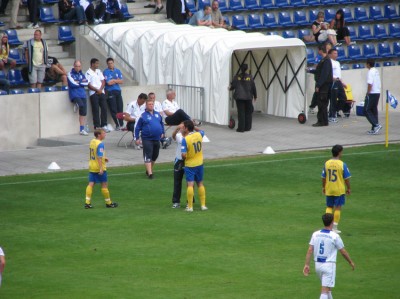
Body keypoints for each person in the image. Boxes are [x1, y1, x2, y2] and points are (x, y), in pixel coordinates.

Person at [303, 213, 355, 299]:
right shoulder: (334, 236)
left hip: (318, 266)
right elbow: (343, 252)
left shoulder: (315, 234)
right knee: (324, 291)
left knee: (328, 289)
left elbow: (310, 250)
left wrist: (307, 264)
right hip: (328, 266)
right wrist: (350, 262)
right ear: (332, 222)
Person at [85, 128, 118, 209]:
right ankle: (108, 203)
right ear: (99, 135)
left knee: (91, 184)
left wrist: (104, 158)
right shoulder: (100, 144)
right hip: (98, 167)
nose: (105, 134)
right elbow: (99, 157)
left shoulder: (92, 141)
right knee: (104, 184)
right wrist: (101, 168)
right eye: (103, 133)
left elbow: (94, 153)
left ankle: (87, 203)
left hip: (92, 166)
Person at [321, 144, 351, 234]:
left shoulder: (327, 163)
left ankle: (327, 225)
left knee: (329, 207)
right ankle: (334, 227)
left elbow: (323, 177)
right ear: (339, 152)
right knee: (338, 208)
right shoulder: (342, 164)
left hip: (329, 188)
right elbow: (346, 178)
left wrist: (324, 187)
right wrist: (349, 188)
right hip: (339, 190)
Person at [134, 98, 165, 179]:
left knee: (155, 155)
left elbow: (161, 124)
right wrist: (136, 138)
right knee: (148, 154)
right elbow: (137, 127)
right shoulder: (143, 116)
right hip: (147, 138)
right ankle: (150, 174)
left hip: (157, 138)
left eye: (152, 104)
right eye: (149, 104)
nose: (151, 106)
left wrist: (162, 132)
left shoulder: (158, 114)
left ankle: (149, 169)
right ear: (146, 105)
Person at [181, 120, 207, 212]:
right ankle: (203, 205)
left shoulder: (185, 139)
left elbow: (183, 155)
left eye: (183, 127)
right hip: (199, 163)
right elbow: (201, 131)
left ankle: (190, 207)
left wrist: (186, 156)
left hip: (190, 165)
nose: (182, 128)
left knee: (190, 185)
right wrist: (194, 126)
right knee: (200, 183)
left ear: (186, 128)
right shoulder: (199, 135)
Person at [229, 63, 257, 133]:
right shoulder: (250, 77)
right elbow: (253, 87)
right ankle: (247, 127)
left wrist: (229, 88)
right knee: (248, 112)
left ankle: (241, 128)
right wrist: (255, 96)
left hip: (239, 97)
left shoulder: (236, 77)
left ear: (240, 69)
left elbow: (232, 87)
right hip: (248, 97)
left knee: (241, 113)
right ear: (247, 69)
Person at [86, 58, 110, 132]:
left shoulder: (99, 71)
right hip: (93, 93)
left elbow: (103, 81)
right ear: (92, 64)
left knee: (104, 108)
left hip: (101, 92)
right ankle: (97, 126)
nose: (97, 65)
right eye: (96, 63)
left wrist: (100, 89)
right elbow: (88, 84)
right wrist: (96, 90)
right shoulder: (88, 72)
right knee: (95, 109)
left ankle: (104, 125)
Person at [67, 60, 90, 136]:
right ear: (74, 66)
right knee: (81, 105)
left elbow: (86, 82)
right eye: (76, 66)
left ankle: (82, 129)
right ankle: (76, 104)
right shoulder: (70, 74)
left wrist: (79, 82)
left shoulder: (82, 74)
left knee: (83, 113)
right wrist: (80, 83)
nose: (78, 67)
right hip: (75, 94)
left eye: (79, 66)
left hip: (82, 94)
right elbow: (72, 83)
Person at [312, 44, 332, 127]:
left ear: (321, 50)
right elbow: (319, 71)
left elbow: (324, 74)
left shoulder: (326, 60)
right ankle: (325, 121)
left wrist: (318, 85)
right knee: (323, 104)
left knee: (321, 104)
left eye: (318, 50)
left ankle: (321, 121)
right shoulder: (324, 60)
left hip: (323, 86)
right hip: (324, 85)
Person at [104, 57, 124, 130]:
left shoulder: (117, 71)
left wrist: (113, 80)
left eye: (111, 63)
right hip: (110, 91)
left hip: (118, 91)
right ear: (107, 64)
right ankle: (117, 124)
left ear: (113, 63)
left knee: (120, 107)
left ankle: (121, 124)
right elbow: (108, 83)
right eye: (109, 63)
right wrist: (116, 80)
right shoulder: (105, 72)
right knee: (113, 109)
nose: (110, 65)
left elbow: (121, 81)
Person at [328, 48, 347, 123]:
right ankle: (332, 116)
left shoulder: (337, 63)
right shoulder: (329, 62)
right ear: (330, 54)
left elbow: (339, 74)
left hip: (339, 82)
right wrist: (333, 79)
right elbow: (329, 74)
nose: (336, 55)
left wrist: (342, 83)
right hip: (333, 82)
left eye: (336, 53)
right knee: (333, 99)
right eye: (334, 53)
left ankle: (334, 111)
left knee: (343, 98)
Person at [364, 58, 382, 135]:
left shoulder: (370, 72)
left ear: (368, 64)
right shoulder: (376, 70)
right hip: (377, 92)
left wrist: (367, 93)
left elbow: (370, 84)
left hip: (372, 93)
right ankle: (374, 128)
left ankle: (376, 125)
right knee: (373, 110)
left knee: (366, 110)